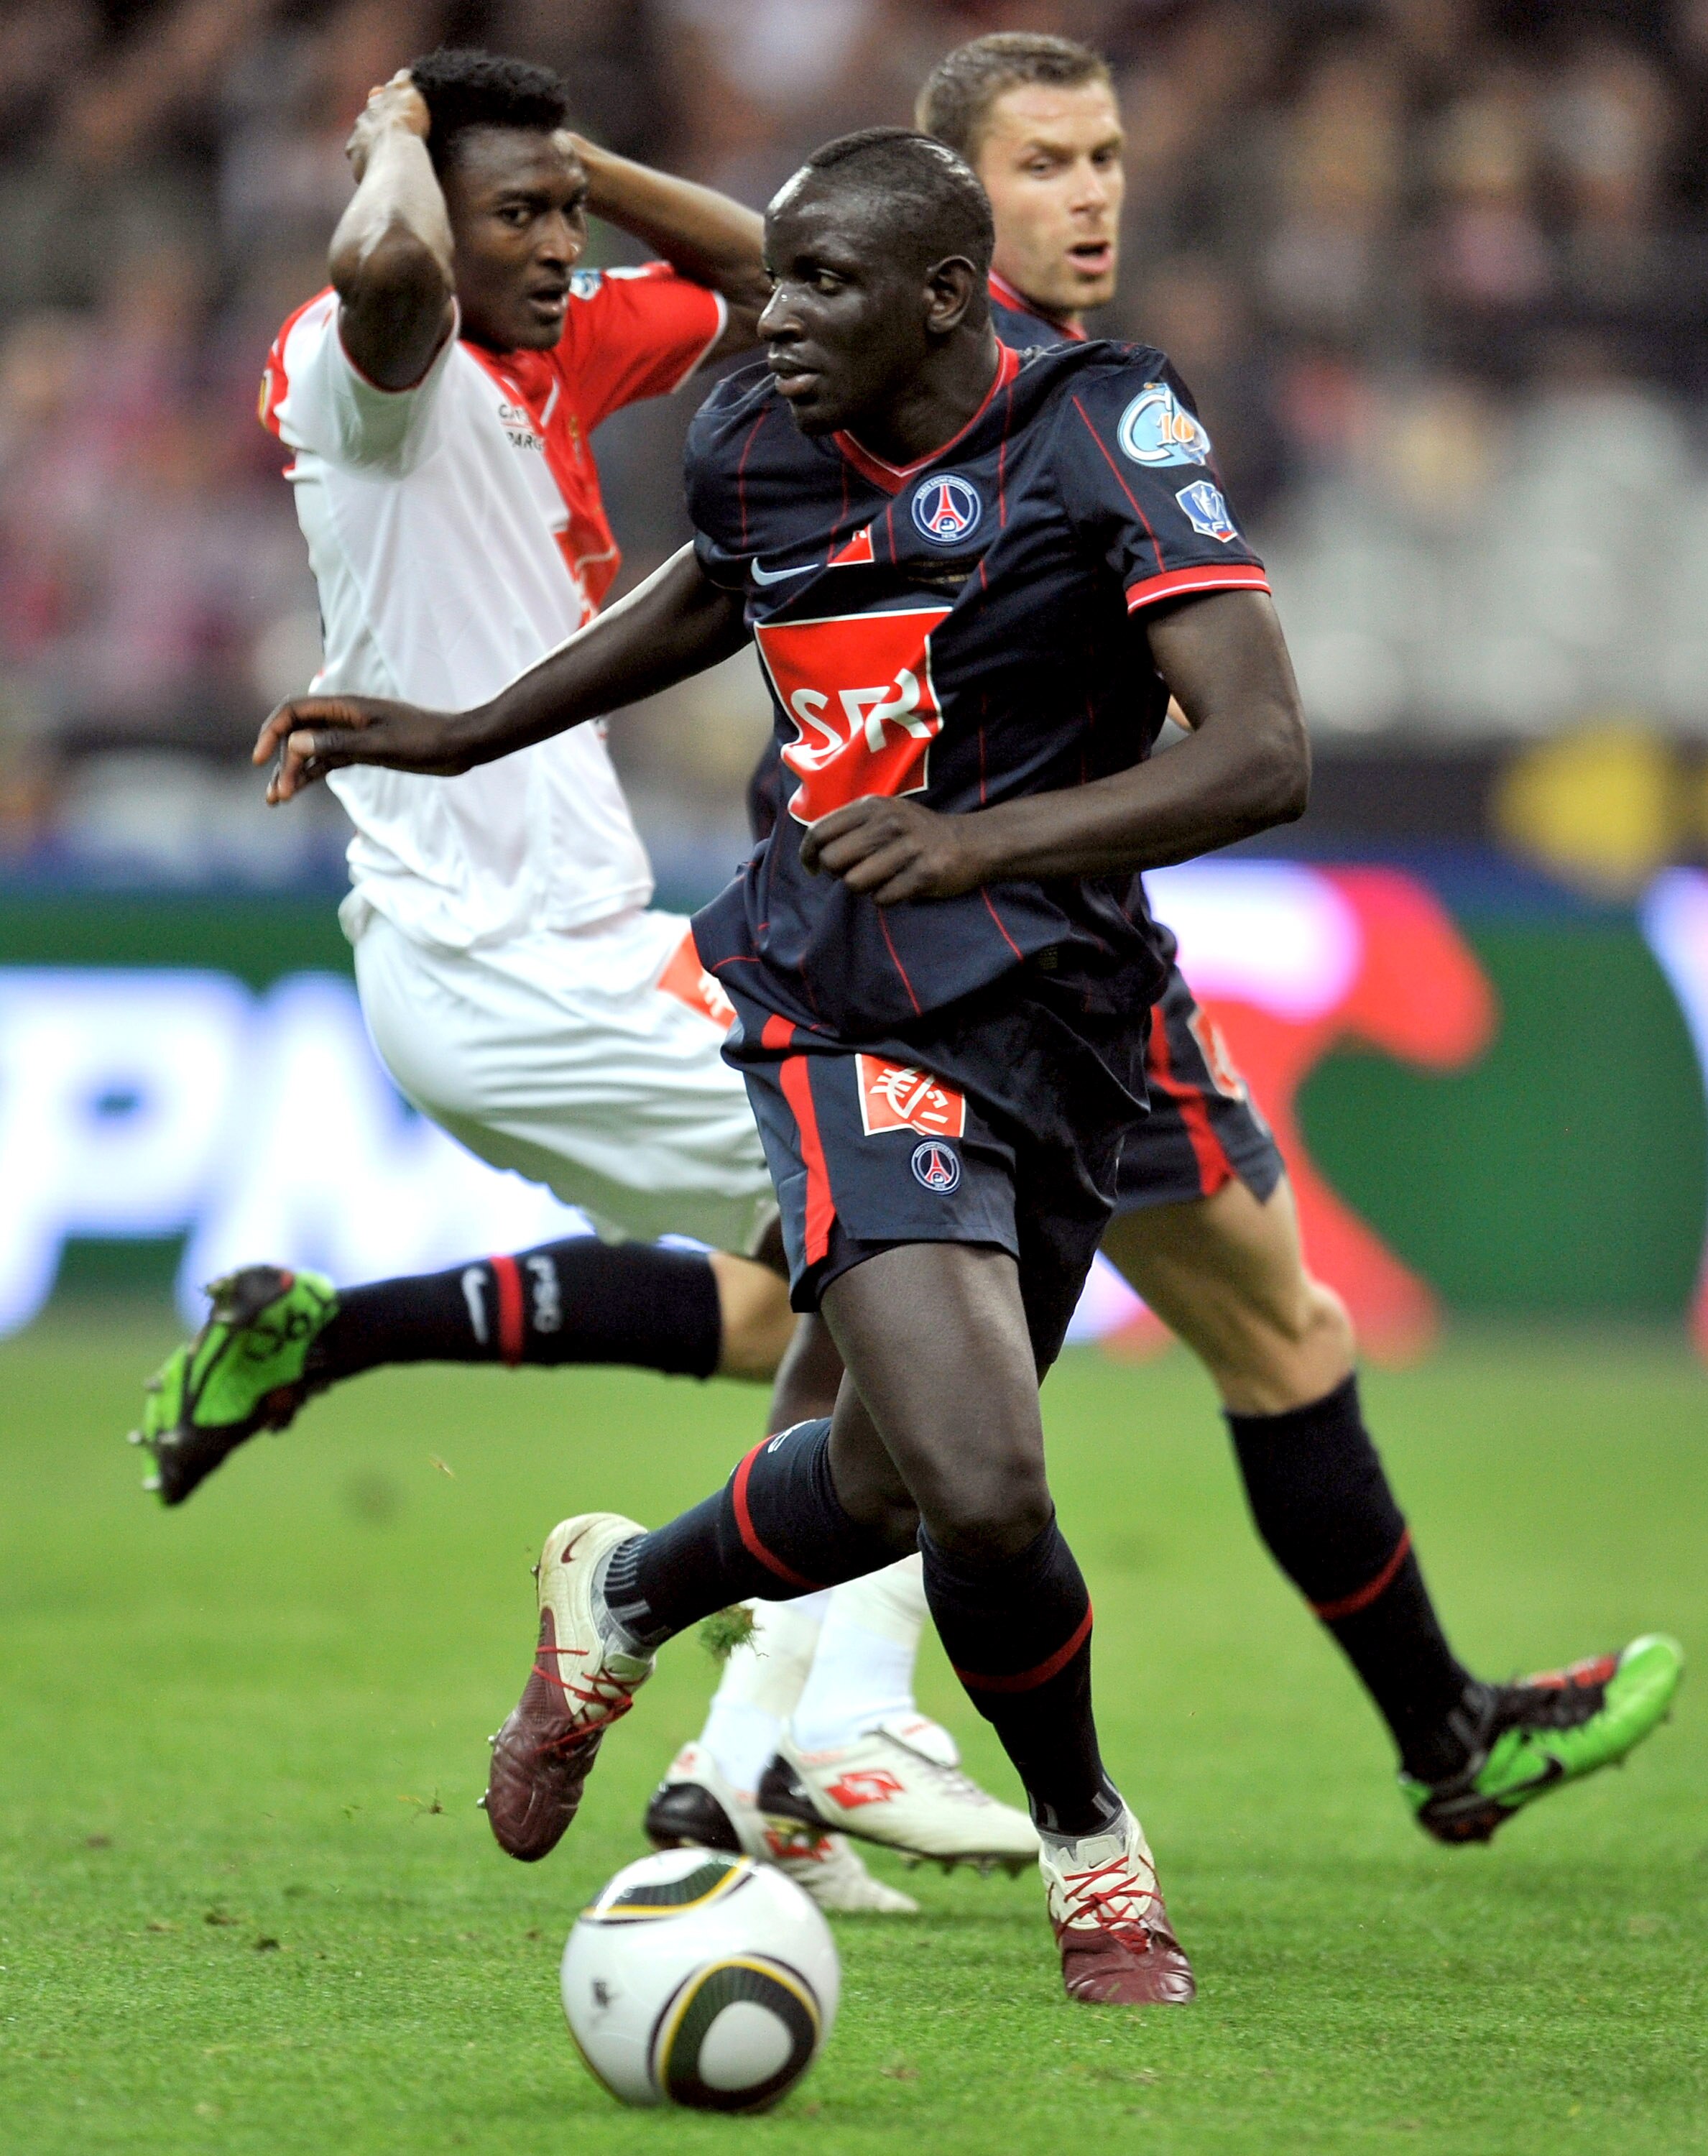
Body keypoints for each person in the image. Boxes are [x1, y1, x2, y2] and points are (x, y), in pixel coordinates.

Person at [254, 121, 1322, 2005]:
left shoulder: (1096, 433)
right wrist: (455, 733)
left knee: (906, 1488)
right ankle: (1093, 1845)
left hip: (1062, 1015)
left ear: (939, 297)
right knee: (987, 1485)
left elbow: (1260, 752)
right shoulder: (762, 431)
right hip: (837, 1001)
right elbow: (704, 595)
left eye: (821, 284)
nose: (777, 313)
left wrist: (987, 842)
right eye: (782, 277)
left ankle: (633, 1594)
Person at [659, 31, 1685, 1869]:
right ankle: (783, 1740)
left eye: (1110, 155)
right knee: (905, 1392)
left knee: (1225, 1334)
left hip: (1069, 968)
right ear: (956, 207)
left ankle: (773, 1742)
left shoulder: (1085, 394)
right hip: (901, 961)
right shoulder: (883, 363)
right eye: (1047, 162)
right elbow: (761, 264)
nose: (1096, 193)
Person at [129, 46, 952, 1913]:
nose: (560, 245)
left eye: (567, 212)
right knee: (928, 1251)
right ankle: (817, 1727)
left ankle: (337, 1341)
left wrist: (583, 161)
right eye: (530, 216)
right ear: (431, 208)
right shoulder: (374, 385)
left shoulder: (547, 348)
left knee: (789, 1313)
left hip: (573, 957)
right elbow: (391, 276)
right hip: (512, 966)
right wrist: (397, 144)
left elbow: (784, 277)